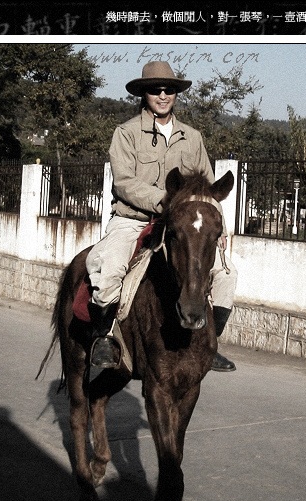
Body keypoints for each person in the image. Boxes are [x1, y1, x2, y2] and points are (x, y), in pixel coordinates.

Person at [86, 61, 237, 372]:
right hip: (134, 219)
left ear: (176, 94)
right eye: (156, 90)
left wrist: (215, 227)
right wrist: (168, 203)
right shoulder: (125, 134)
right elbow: (124, 182)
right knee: (111, 268)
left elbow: (206, 189)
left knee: (226, 274)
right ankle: (105, 337)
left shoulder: (193, 138)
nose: (163, 95)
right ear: (145, 94)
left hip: (181, 225)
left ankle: (210, 343)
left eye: (169, 89)